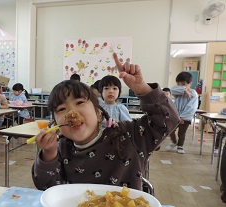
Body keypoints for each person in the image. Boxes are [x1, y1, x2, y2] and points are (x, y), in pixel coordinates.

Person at [31, 52, 179, 191]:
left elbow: (169, 120)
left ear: (99, 113)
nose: (71, 113)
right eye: (61, 109)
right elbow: (46, 187)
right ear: (55, 123)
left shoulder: (129, 136)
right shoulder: (61, 148)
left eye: (80, 102)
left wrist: (143, 89)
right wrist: (49, 153)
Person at [166, 72, 198, 154]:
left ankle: (180, 146)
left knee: (182, 132)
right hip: (175, 116)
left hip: (185, 118)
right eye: (179, 85)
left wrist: (183, 117)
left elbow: (191, 107)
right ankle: (173, 142)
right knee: (170, 130)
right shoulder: (179, 92)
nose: (181, 86)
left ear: (190, 83)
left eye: (184, 84)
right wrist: (185, 91)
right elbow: (172, 90)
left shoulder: (193, 93)